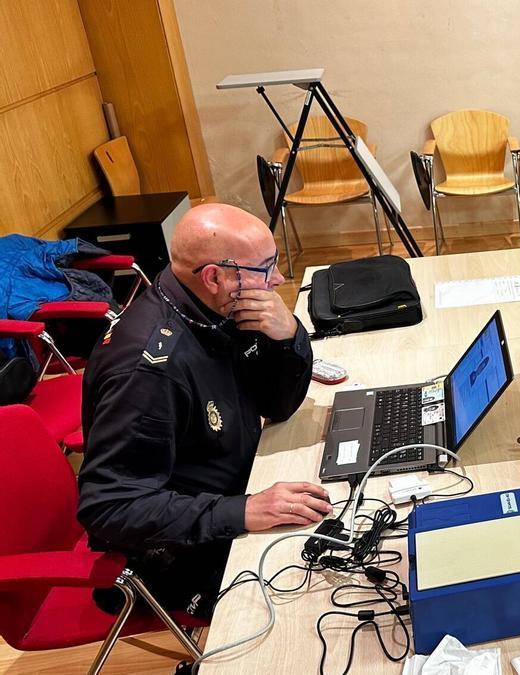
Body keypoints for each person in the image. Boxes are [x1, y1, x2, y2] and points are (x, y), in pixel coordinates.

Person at [77, 203, 332, 619]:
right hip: (180, 551)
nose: (279, 279)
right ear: (215, 276)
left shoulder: (219, 308)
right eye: (265, 267)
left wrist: (288, 337)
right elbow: (108, 508)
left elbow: (277, 405)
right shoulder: (147, 373)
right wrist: (242, 510)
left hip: (240, 485)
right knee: (318, 602)